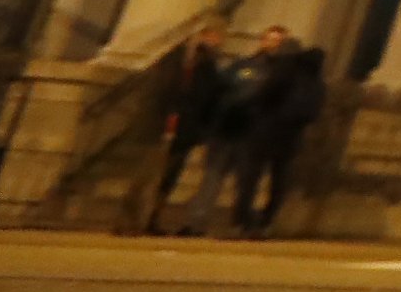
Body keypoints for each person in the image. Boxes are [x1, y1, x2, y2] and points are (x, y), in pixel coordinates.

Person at [178, 27, 278, 237]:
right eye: (270, 40)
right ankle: (196, 222)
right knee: (212, 178)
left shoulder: (278, 73)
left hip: (251, 133)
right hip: (226, 129)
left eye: (277, 42)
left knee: (245, 183)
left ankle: (241, 224)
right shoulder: (243, 65)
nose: (272, 45)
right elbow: (220, 87)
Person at [141, 22, 232, 236]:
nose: (218, 42)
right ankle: (146, 218)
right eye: (216, 38)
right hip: (180, 125)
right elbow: (201, 96)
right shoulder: (197, 63)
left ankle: (148, 217)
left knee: (163, 174)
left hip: (178, 125)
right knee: (163, 174)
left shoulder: (184, 60)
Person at [241, 37, 328, 236]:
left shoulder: (285, 71)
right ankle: (267, 220)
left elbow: (265, 95)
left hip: (267, 130)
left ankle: (245, 221)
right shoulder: (317, 80)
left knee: (251, 177)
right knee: (279, 180)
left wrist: (253, 107)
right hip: (292, 136)